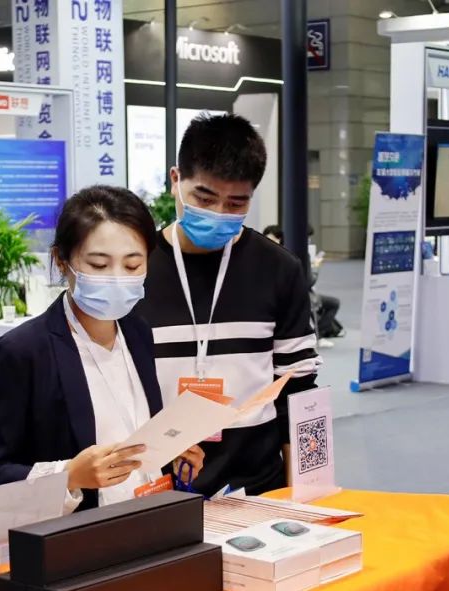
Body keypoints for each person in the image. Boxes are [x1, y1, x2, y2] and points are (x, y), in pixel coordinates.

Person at [0, 186, 204, 512]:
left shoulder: (138, 331)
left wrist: (170, 456)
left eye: (132, 265)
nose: (117, 278)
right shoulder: (21, 352)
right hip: (74, 533)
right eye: (99, 265)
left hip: (149, 519)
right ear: (61, 261)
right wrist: (68, 476)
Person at [137, 114, 321, 497]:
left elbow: (299, 389)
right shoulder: (137, 267)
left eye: (236, 203)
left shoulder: (279, 269)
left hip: (257, 486)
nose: (219, 213)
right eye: (204, 199)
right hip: (155, 489)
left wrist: (304, 495)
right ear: (175, 179)